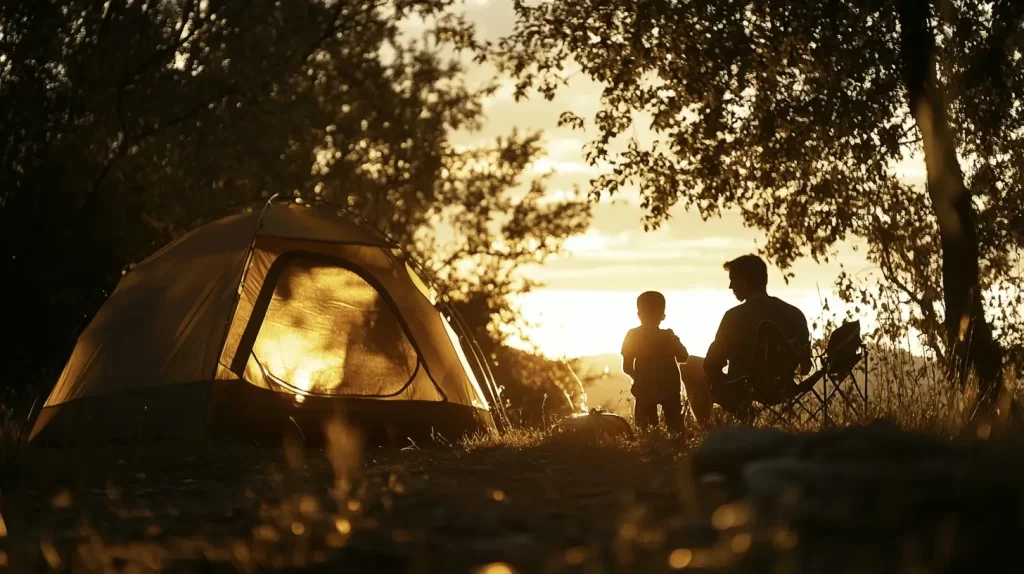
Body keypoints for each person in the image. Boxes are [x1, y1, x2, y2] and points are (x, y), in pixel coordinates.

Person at [683, 255, 812, 426]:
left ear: (744, 281)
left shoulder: (734, 317)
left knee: (690, 365)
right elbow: (805, 367)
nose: (730, 286)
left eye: (733, 280)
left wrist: (720, 384)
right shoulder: (795, 313)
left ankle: (710, 429)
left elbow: (712, 363)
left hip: (743, 388)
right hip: (783, 388)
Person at [621, 291, 690, 432]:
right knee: (675, 428)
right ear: (663, 316)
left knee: (646, 430)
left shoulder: (633, 335)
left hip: (644, 389)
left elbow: (627, 366)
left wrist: (639, 379)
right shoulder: (669, 337)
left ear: (639, 314)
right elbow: (684, 357)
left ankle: (650, 451)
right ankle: (677, 452)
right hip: (670, 388)